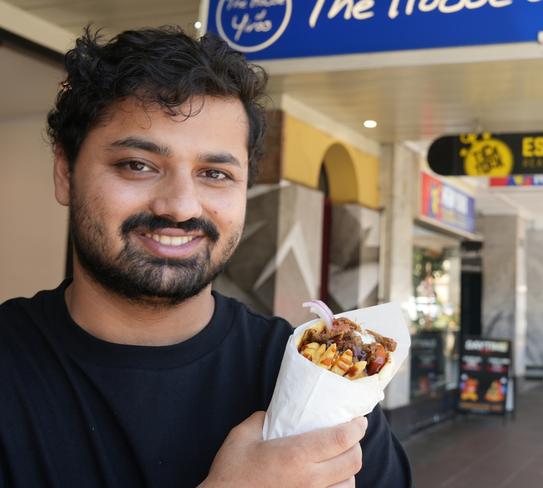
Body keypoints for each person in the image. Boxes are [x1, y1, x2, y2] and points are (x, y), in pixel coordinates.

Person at [0, 27, 412, 488]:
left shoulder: (318, 379)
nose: (179, 206)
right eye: (138, 165)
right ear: (65, 174)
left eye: (214, 173)